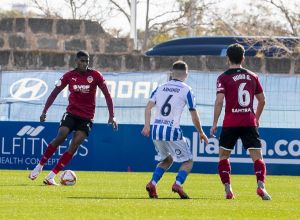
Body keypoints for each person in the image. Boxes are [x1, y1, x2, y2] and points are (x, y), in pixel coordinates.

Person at [29, 50, 117, 185]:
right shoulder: (69, 76)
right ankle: (39, 166)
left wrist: (112, 116)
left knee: (75, 144)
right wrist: (45, 111)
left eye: (87, 61)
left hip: (87, 118)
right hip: (71, 114)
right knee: (61, 136)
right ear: (76, 61)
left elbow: (107, 95)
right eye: (82, 61)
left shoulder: (95, 75)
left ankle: (51, 176)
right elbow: (54, 93)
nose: (85, 63)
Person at [210, 43, 271, 200]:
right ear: (243, 58)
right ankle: (261, 187)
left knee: (223, 156)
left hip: (230, 122)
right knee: (257, 156)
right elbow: (262, 100)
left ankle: (228, 190)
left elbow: (219, 101)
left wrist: (215, 123)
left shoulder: (223, 77)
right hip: (248, 122)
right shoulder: (253, 76)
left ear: (228, 58)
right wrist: (256, 118)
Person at [141, 60, 208, 199]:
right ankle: (178, 183)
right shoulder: (186, 89)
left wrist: (147, 126)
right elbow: (193, 113)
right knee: (188, 161)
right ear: (186, 74)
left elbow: (148, 108)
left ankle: (152, 183)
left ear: (172, 73)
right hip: (172, 130)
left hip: (156, 130)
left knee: (167, 160)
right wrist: (201, 132)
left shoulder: (160, 87)